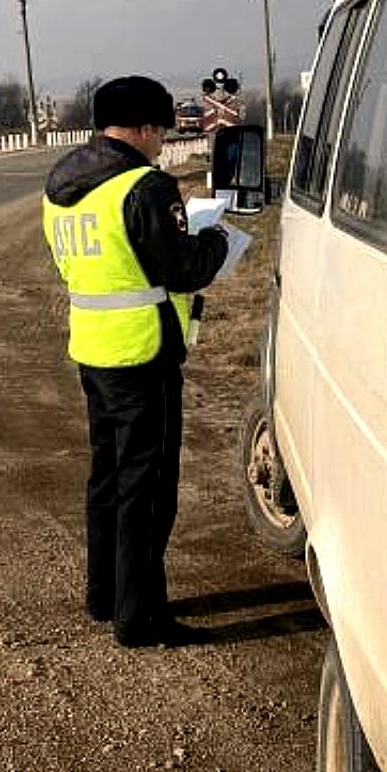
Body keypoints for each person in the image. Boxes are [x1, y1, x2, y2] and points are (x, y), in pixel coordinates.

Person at [42, 76, 228, 648]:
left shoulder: (61, 184)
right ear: (145, 128)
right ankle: (140, 617)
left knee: (107, 478)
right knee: (146, 492)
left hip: (93, 350)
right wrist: (216, 239)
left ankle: (104, 596)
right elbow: (185, 269)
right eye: (160, 130)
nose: (161, 141)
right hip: (144, 354)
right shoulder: (144, 186)